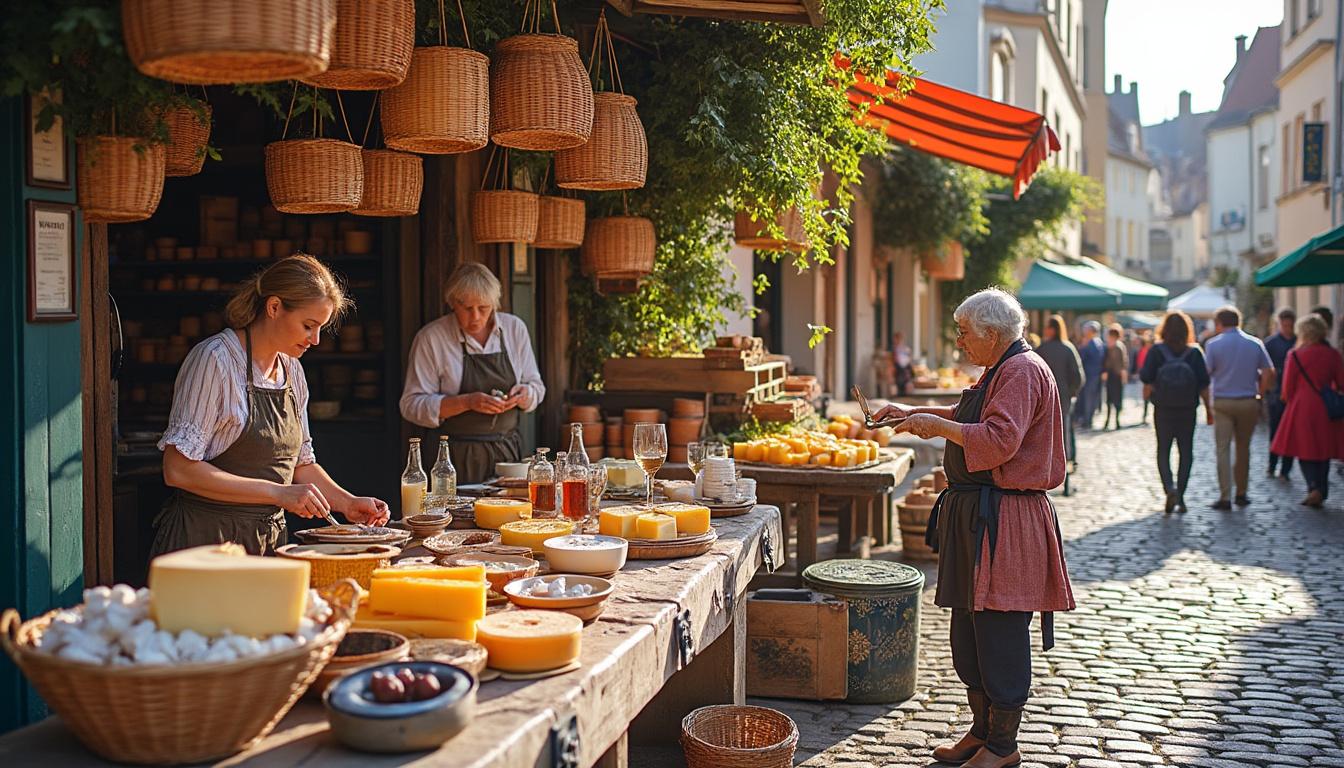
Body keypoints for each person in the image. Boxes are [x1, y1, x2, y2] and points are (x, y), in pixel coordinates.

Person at [874, 288, 1074, 768]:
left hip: (1005, 521)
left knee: (999, 632)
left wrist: (936, 426)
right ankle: (983, 733)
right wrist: (912, 416)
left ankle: (1004, 747)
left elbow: (1000, 439)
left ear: (991, 332)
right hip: (979, 518)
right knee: (969, 633)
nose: (959, 341)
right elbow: (970, 418)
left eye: (964, 333)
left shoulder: (1023, 371)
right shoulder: (1000, 369)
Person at [153, 255, 390, 557]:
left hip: (268, 543)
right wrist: (277, 493)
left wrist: (346, 502)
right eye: (308, 325)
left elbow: (301, 466)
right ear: (274, 307)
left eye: (321, 328)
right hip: (207, 542)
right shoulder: (216, 360)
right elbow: (178, 469)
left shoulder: (292, 370)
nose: (315, 340)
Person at [400, 263, 545, 484]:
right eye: (467, 308)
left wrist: (525, 395)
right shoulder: (432, 338)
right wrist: (467, 402)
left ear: (495, 304)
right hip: (452, 459)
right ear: (453, 303)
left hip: (507, 455)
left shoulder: (515, 329)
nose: (475, 316)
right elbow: (410, 405)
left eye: (483, 308)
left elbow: (537, 386)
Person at [1203, 305, 1276, 510]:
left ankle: (1225, 496)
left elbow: (1207, 373)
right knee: (1243, 448)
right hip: (1247, 400)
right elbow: (1268, 371)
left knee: (1223, 449)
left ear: (1219, 323)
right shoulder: (1254, 343)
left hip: (1223, 401)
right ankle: (1242, 493)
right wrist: (1260, 393)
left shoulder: (1213, 345)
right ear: (1239, 321)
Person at [1139, 311, 1211, 514]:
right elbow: (1204, 383)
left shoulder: (1157, 351)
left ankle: (1169, 488)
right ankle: (1181, 494)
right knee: (1186, 451)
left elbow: (1146, 378)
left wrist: (1146, 402)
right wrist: (1210, 410)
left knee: (1163, 449)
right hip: (1188, 409)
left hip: (1163, 408)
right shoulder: (1195, 352)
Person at [1272, 314, 1344, 507]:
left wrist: (1287, 401)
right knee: (1324, 448)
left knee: (1305, 448)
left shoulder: (1295, 355)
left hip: (1302, 405)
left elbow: (1287, 388)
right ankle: (1321, 489)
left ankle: (1313, 487)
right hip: (1326, 404)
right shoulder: (1333, 354)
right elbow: (1341, 382)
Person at [1036, 314, 1084, 465]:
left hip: (1046, 396)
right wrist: (1071, 393)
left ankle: (1053, 462)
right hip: (1063, 396)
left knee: (1047, 430)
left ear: (1052, 329)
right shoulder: (1068, 348)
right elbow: (1078, 376)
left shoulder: (1042, 350)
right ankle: (1069, 458)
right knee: (1065, 427)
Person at [1264, 308, 1298, 479]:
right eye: (1284, 325)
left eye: (1289, 325)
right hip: (1276, 393)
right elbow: (1264, 369)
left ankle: (1286, 469)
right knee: (1275, 430)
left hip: (1293, 394)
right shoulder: (1270, 343)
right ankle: (1272, 464)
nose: (1287, 328)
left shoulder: (1299, 342)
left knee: (1291, 432)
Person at [1074, 321, 1104, 430]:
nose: (1084, 331)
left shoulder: (1091, 344)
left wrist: (1082, 347)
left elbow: (1082, 359)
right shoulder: (1098, 342)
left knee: (1088, 399)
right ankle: (1086, 419)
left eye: (1086, 330)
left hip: (1090, 375)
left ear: (1091, 331)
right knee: (1089, 398)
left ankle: (1087, 421)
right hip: (1094, 375)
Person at [1101, 324, 1128, 430]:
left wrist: (1123, 375)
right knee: (1109, 399)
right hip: (1111, 376)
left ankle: (1116, 421)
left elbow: (1122, 363)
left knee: (1116, 399)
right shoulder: (1109, 346)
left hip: (1116, 376)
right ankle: (1109, 421)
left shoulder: (1117, 347)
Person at [1134, 333, 1153, 424]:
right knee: (1146, 398)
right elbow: (1140, 364)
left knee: (1148, 397)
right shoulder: (1143, 351)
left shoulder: (1149, 351)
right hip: (1145, 377)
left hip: (1148, 378)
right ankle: (1145, 415)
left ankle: (1145, 415)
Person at [893, 330, 914, 396]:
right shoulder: (894, 349)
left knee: (906, 381)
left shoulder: (905, 349)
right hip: (898, 369)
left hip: (904, 369)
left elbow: (909, 359)